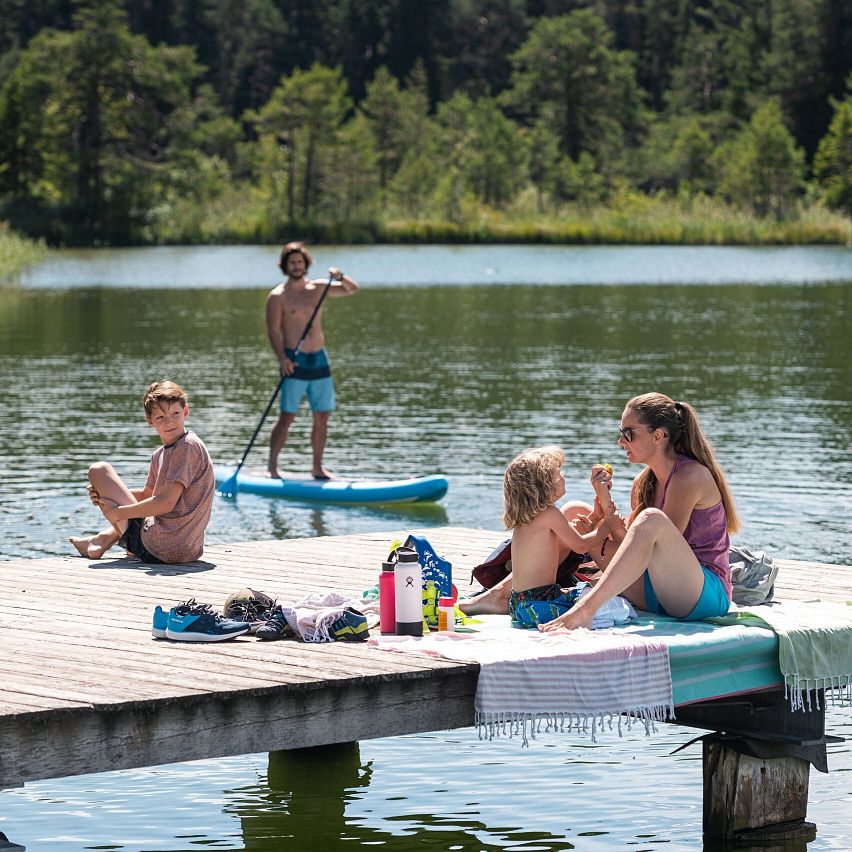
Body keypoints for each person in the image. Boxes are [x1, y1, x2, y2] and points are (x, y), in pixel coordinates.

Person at [540, 392, 740, 633]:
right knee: (574, 511)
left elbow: (653, 550)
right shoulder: (644, 482)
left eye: (629, 433)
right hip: (659, 590)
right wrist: (602, 500)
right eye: (621, 432)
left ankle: (585, 611)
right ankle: (518, 594)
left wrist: (602, 533)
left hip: (702, 595)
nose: (620, 441)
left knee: (651, 519)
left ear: (658, 435)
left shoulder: (690, 477)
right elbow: (633, 549)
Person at [69, 380, 214, 564]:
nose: (169, 421)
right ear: (150, 421)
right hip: (186, 550)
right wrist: (104, 494)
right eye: (160, 417)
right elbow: (148, 495)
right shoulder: (160, 455)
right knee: (116, 493)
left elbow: (165, 503)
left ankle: (102, 539)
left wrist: (119, 513)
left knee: (98, 470)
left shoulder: (187, 447)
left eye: (175, 414)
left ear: (185, 412)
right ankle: (102, 539)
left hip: (161, 547)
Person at [266, 241, 359, 479]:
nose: (296, 266)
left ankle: (317, 467)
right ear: (285, 266)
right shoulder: (278, 297)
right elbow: (273, 332)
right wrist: (282, 359)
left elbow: (352, 290)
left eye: (299, 262)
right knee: (287, 417)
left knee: (322, 416)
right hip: (294, 362)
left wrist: (340, 276)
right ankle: (272, 468)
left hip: (319, 359)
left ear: (305, 264)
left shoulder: (318, 288)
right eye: (292, 263)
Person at [500, 446, 620, 627]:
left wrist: (595, 517)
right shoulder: (550, 514)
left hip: (519, 604)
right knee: (610, 603)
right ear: (544, 485)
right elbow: (580, 546)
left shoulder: (527, 517)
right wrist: (606, 527)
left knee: (588, 593)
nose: (563, 476)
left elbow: (567, 540)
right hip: (539, 605)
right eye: (558, 473)